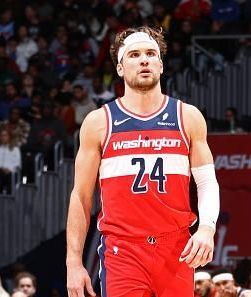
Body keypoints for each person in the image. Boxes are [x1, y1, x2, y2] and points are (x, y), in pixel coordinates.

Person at [66, 26, 220, 297]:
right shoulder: (99, 122)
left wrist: (207, 228)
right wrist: (73, 262)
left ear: (161, 65)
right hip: (123, 250)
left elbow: (207, 182)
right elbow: (80, 197)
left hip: (176, 248)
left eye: (150, 53)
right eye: (134, 54)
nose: (144, 59)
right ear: (120, 68)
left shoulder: (188, 117)